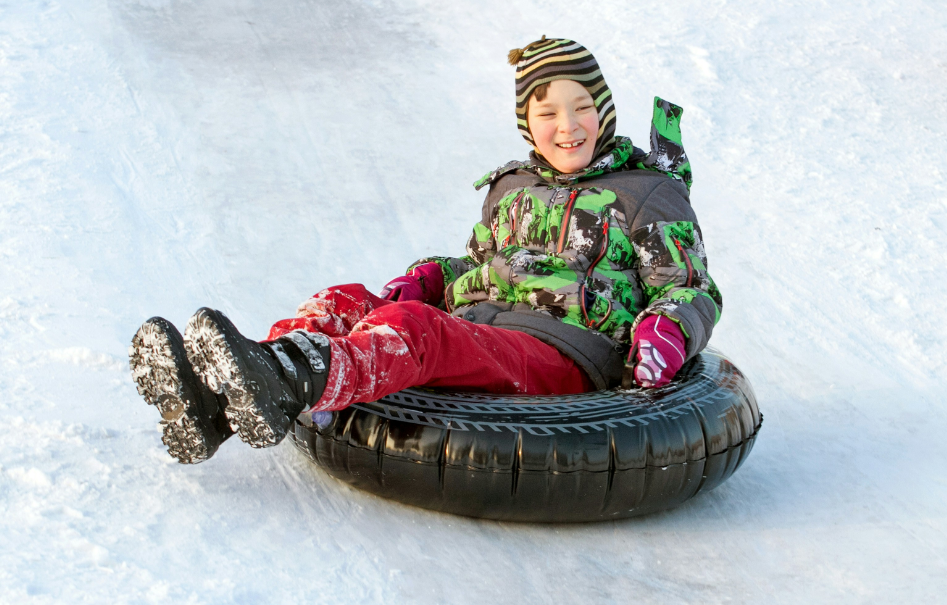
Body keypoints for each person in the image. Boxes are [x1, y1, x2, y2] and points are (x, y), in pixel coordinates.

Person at [129, 37, 722, 464]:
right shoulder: (511, 188)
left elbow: (688, 288)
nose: (568, 126)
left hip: (563, 351)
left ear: (605, 110)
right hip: (486, 326)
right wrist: (436, 276)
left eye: (583, 107)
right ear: (527, 123)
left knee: (413, 329)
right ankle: (224, 397)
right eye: (548, 114)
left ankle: (290, 376)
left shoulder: (647, 194)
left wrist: (668, 330)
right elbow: (480, 263)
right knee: (346, 299)